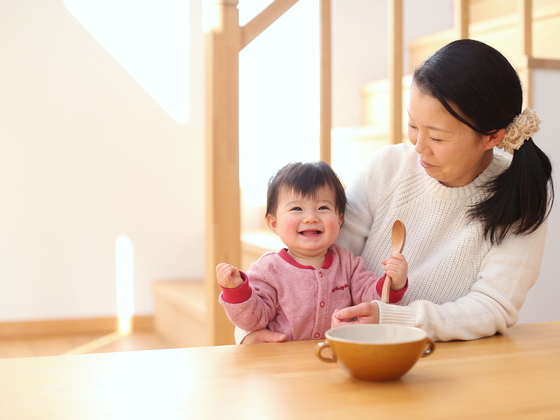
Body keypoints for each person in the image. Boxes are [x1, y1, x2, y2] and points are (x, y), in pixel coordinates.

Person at [240, 39, 554, 344]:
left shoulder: (521, 196)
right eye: (413, 126)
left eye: (438, 137)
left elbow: (492, 308)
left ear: (492, 136)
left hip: (447, 368)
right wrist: (251, 326)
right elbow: (314, 258)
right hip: (353, 355)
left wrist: (394, 318)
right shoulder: (389, 167)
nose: (418, 147)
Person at [216, 161, 408, 341]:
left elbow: (370, 300)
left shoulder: (347, 263)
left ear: (340, 219)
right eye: (297, 208)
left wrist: (393, 283)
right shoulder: (268, 269)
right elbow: (253, 320)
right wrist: (236, 291)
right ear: (273, 223)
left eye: (322, 207)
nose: (310, 218)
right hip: (285, 363)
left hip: (336, 358)